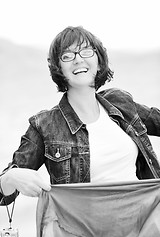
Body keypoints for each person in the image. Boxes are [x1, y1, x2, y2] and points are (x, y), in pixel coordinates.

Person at [0, 25, 160, 204]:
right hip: (84, 229)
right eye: (67, 56)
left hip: (142, 222)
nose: (77, 60)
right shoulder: (45, 125)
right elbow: (2, 195)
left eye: (85, 52)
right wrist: (10, 178)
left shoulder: (121, 103)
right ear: (58, 68)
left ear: (99, 62)